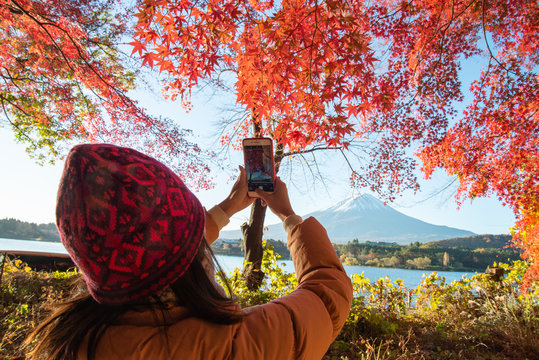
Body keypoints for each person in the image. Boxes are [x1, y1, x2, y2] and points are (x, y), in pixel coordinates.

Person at [25, 144, 353, 360]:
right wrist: (288, 215)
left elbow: (156, 250)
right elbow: (327, 295)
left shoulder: (73, 341)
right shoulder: (237, 346)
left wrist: (227, 208)